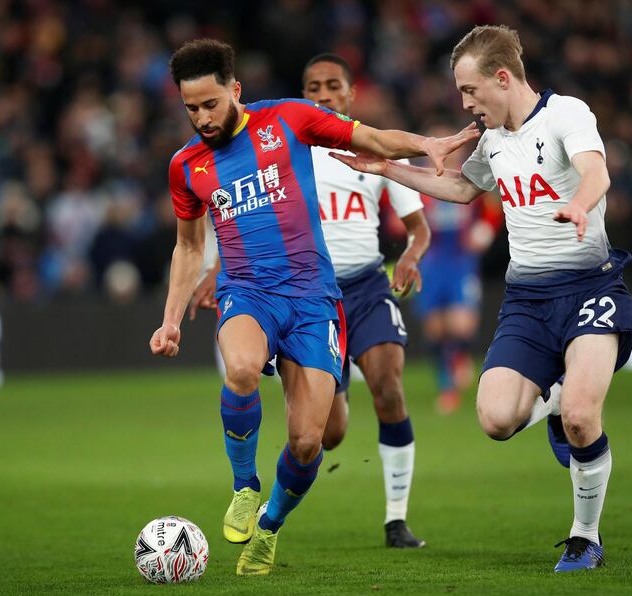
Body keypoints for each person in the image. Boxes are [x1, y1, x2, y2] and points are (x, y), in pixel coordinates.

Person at [149, 38, 479, 576]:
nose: (202, 118)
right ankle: (244, 487)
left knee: (310, 441)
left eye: (211, 104)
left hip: (312, 300)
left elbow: (370, 136)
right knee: (240, 369)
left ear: (234, 90)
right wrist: (169, 320)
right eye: (191, 108)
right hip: (247, 292)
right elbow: (188, 246)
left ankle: (270, 527)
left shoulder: (288, 120)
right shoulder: (186, 166)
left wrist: (425, 144)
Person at [332, 25, 632, 573]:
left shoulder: (567, 114)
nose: (465, 103)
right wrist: (386, 169)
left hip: (590, 287)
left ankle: (584, 537)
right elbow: (462, 189)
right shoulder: (492, 139)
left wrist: (581, 206)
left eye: (470, 91)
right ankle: (556, 401)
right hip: (527, 300)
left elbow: (597, 171)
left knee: (585, 419)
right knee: (495, 420)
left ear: (502, 77)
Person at [192, 53, 431, 549]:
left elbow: (418, 227)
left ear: (350, 94)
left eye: (332, 85)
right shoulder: (286, 146)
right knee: (327, 436)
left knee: (387, 383)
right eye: (313, 86)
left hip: (365, 287)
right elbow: (242, 216)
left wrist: (411, 255)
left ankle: (396, 519)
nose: (323, 95)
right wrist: (217, 270)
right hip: (300, 294)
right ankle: (269, 496)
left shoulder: (372, 150)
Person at [410, 133, 501, 414]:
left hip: (461, 261)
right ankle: (446, 381)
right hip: (431, 261)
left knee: (461, 326)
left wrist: (485, 230)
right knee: (435, 330)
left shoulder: (468, 181)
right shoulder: (419, 185)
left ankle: (453, 377)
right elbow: (398, 218)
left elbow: (494, 208)